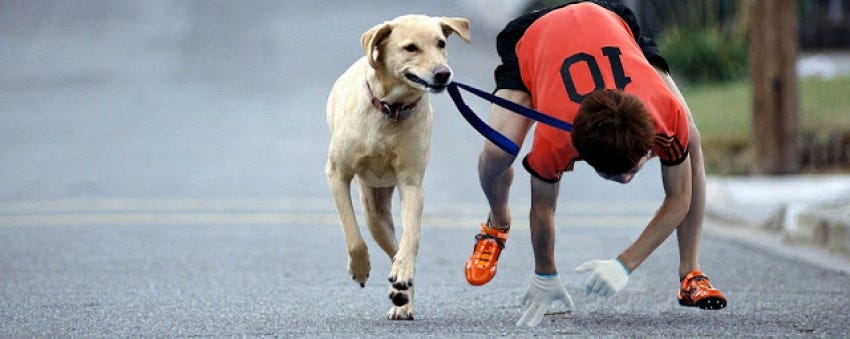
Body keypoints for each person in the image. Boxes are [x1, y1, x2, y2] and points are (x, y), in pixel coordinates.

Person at [462, 0, 727, 327]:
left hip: (609, 20)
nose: (626, 180)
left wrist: (625, 264)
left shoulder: (665, 113)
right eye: (614, 176)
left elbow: (680, 197)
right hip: (535, 34)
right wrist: (545, 274)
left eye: (633, 168)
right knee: (497, 153)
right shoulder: (554, 141)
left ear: (648, 145)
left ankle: (691, 273)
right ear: (579, 155)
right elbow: (542, 207)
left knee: (691, 139)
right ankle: (497, 223)